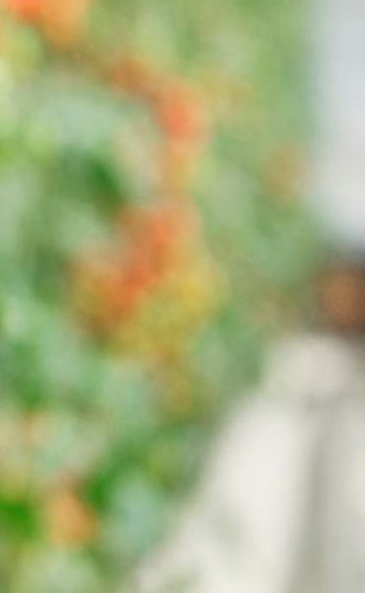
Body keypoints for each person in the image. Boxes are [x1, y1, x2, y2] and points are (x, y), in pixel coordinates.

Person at [132, 253, 365, 593]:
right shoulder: (290, 366)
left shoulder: (336, 382)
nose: (344, 295)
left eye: (354, 285)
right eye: (341, 280)